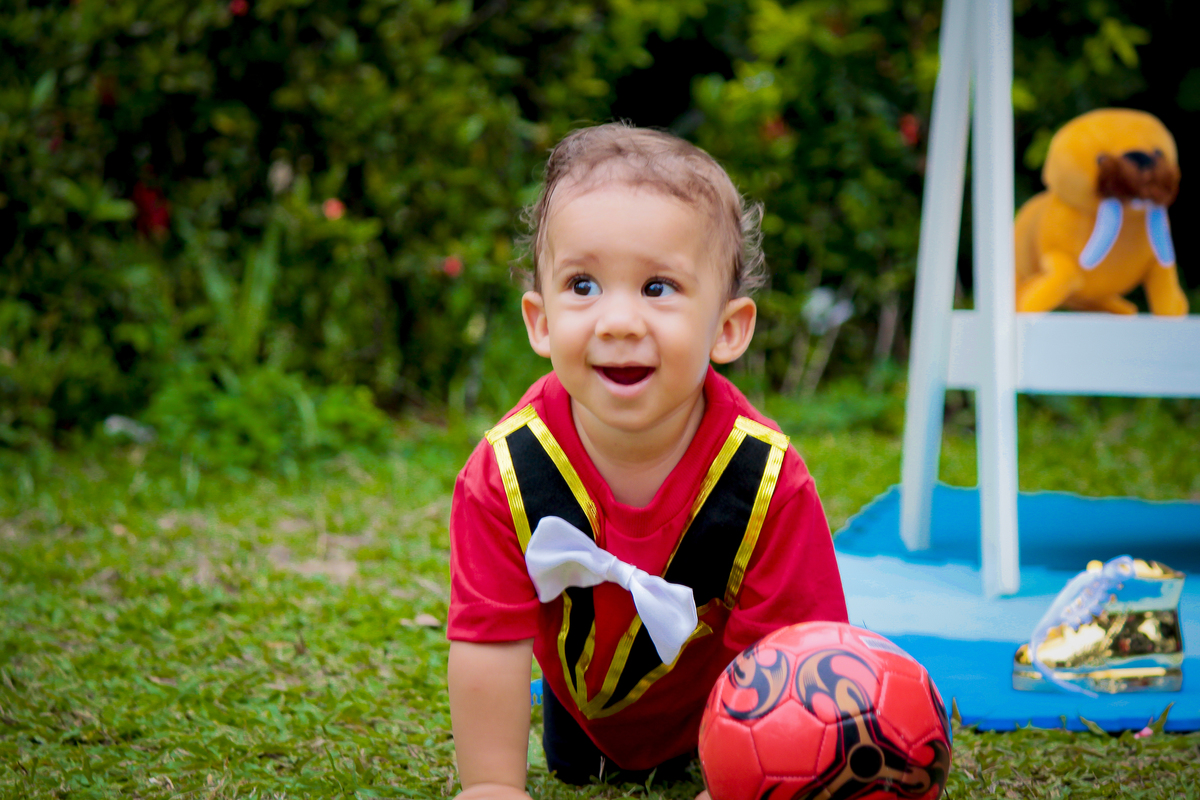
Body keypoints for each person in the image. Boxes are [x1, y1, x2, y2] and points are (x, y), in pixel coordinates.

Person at [446, 123, 847, 800]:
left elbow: (796, 663)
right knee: (579, 765)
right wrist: (492, 786)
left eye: (658, 288)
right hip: (584, 721)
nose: (619, 321)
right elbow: (490, 640)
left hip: (727, 706)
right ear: (539, 322)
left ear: (728, 328)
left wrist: (740, 777)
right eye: (583, 285)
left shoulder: (767, 482)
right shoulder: (506, 472)